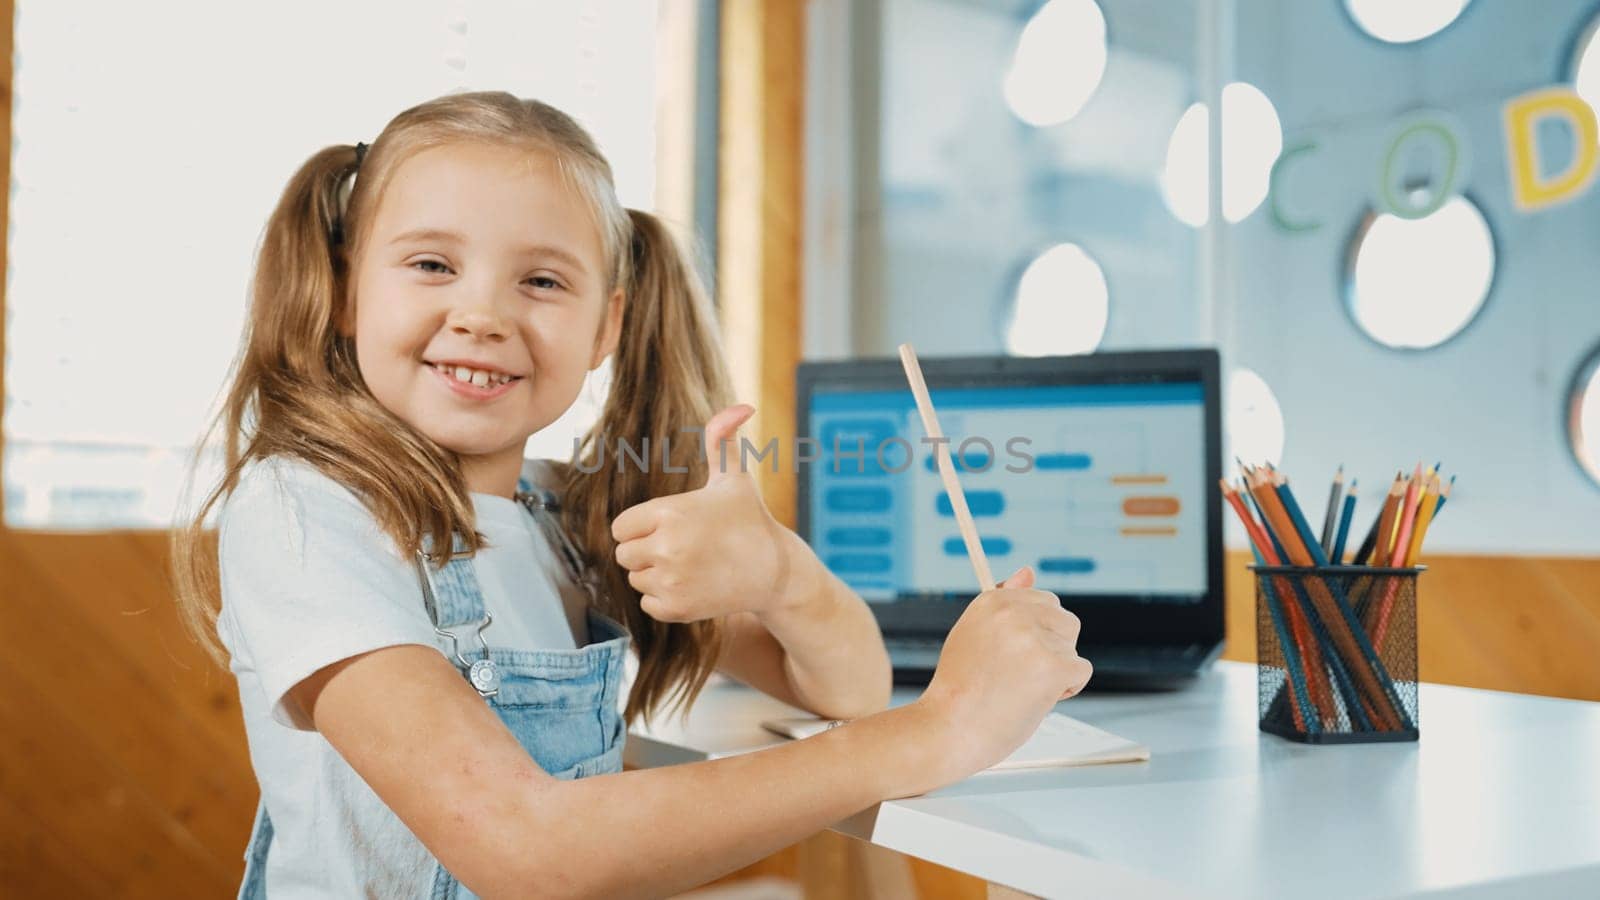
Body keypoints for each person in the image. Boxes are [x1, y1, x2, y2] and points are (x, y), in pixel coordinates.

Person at [171, 90, 1093, 899]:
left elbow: (848, 689)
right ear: (342, 291)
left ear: (605, 324)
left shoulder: (573, 522)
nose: (484, 314)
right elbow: (526, 851)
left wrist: (782, 572)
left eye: (541, 281)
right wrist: (941, 731)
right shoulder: (308, 513)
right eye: (431, 265)